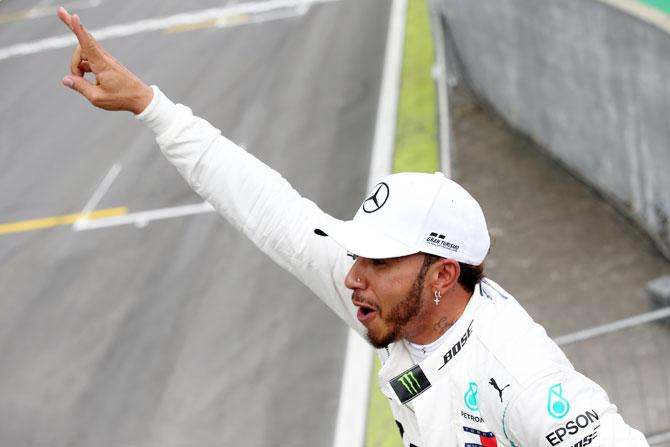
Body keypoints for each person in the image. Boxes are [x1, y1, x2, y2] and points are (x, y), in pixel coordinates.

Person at [56, 7, 650, 447]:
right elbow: (268, 209)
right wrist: (149, 105)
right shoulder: (390, 299)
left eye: (381, 261)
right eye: (358, 255)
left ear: (444, 273)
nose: (355, 277)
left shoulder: (522, 378)